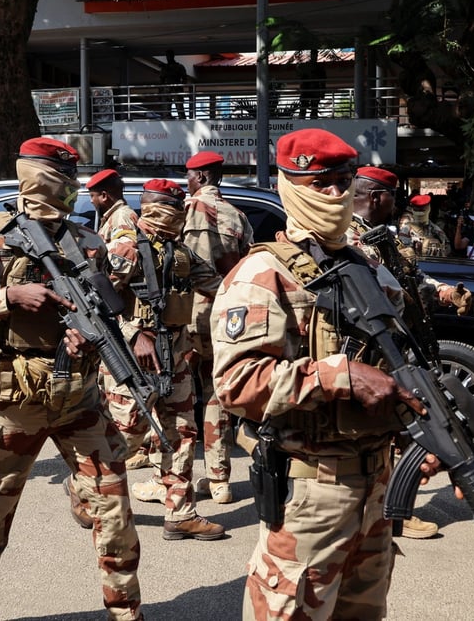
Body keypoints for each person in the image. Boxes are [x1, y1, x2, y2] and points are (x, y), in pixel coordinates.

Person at [211, 128, 441, 619]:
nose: (336, 195)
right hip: (310, 496)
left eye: (343, 182)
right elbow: (236, 384)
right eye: (321, 184)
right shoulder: (262, 275)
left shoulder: (367, 267)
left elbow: (395, 366)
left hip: (374, 493)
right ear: (290, 187)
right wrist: (338, 375)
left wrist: (420, 437)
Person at [0, 137, 142, 621]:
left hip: (80, 400)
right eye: (63, 177)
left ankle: (125, 612)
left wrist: (85, 339)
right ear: (39, 176)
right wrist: (7, 297)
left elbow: (105, 317)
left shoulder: (88, 242)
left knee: (114, 516)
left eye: (73, 179)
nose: (71, 187)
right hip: (14, 402)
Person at [348, 164, 468, 541]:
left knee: (401, 431)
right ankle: (384, 512)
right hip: (367, 354)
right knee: (378, 433)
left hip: (399, 348)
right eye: (393, 198)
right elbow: (383, 295)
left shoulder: (383, 237)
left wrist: (445, 292)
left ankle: (393, 510)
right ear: (378, 197)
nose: (397, 205)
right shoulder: (348, 239)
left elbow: (410, 279)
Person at [103, 178, 225, 540]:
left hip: (174, 356)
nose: (176, 213)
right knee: (123, 439)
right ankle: (85, 494)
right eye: (170, 207)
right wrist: (133, 334)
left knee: (183, 434)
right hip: (132, 361)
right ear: (152, 207)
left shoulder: (181, 251)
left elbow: (219, 285)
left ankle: (181, 512)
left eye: (179, 207)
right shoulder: (125, 249)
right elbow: (93, 303)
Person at [183, 151, 253, 505]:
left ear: (203, 177)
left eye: (190, 177)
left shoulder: (195, 208)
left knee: (179, 396)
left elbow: (191, 265)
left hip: (193, 315)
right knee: (217, 395)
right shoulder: (238, 214)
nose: (188, 183)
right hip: (228, 316)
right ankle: (219, 478)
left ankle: (174, 479)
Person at [85, 169, 152, 474]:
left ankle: (119, 455)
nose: (91, 201)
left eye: (93, 196)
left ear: (105, 195)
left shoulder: (122, 218)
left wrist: (99, 291)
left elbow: (123, 261)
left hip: (122, 315)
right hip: (117, 315)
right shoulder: (113, 217)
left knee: (120, 390)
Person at [296, 48, 326, 120]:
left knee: (314, 107)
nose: (315, 56)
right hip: (306, 89)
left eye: (315, 55)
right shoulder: (305, 66)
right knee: (303, 107)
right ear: (311, 55)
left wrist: (322, 92)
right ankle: (302, 120)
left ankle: (313, 120)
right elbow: (300, 75)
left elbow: (323, 80)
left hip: (315, 89)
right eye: (313, 55)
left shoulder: (319, 68)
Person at [158, 49, 187, 120]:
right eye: (167, 56)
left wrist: (180, 85)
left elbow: (184, 79)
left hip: (176, 88)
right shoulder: (164, 68)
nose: (168, 58)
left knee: (179, 107)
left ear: (173, 56)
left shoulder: (179, 67)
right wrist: (160, 91)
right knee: (166, 108)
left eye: (169, 56)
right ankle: (167, 118)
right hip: (167, 89)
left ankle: (182, 118)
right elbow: (161, 80)